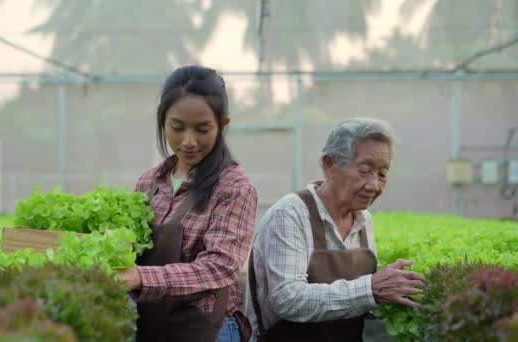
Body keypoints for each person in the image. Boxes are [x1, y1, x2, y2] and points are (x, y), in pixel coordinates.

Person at [245, 118, 426, 342]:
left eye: (382, 174)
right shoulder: (290, 214)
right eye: (364, 170)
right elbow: (288, 299)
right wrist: (371, 289)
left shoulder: (363, 219)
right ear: (330, 164)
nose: (374, 185)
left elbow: (354, 302)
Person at [117, 65, 258, 342]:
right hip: (152, 329)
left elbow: (220, 266)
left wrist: (141, 278)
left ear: (222, 125)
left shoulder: (234, 187)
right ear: (162, 121)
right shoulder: (150, 182)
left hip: (205, 331)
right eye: (177, 128)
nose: (189, 141)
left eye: (203, 129)